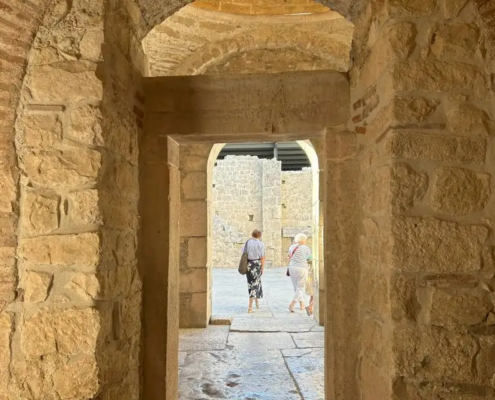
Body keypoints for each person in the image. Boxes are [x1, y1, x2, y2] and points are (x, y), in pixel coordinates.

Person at [242, 229, 266, 313]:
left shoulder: (247, 243)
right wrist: (262, 268)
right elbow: (262, 257)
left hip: (248, 265)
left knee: (251, 283)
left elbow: (243, 253)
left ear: (252, 234)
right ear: (259, 235)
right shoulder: (261, 244)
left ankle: (256, 302)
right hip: (256, 264)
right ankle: (250, 307)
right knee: (255, 285)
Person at [287, 233, 312, 313]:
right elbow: (309, 259)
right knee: (300, 288)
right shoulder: (306, 248)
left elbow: (290, 256)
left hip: (292, 268)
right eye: (305, 240)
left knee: (296, 287)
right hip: (302, 268)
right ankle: (292, 304)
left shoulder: (291, 247)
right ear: (302, 240)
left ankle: (302, 304)